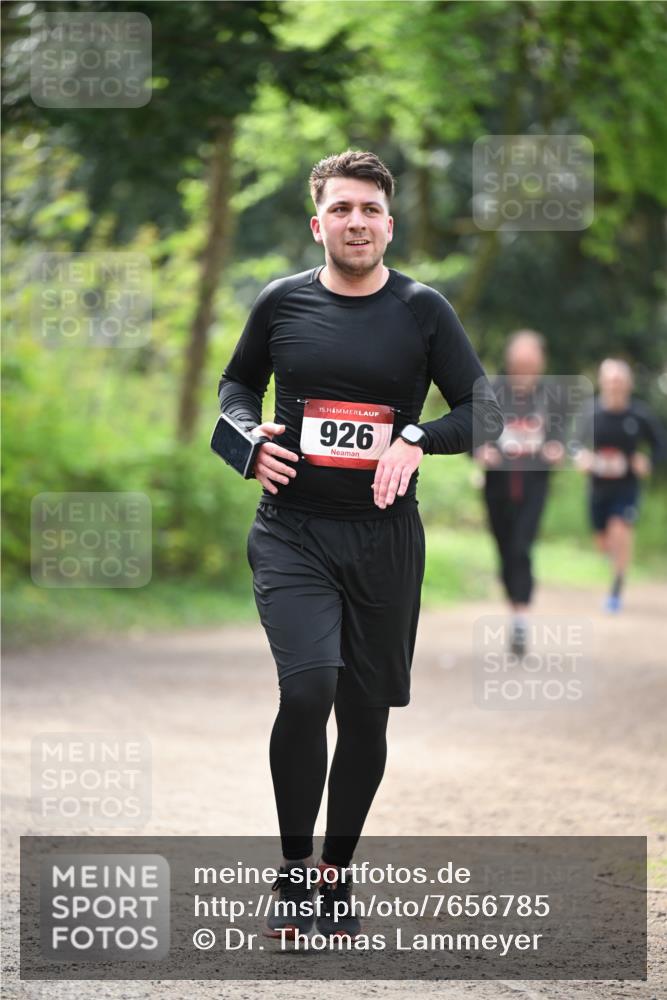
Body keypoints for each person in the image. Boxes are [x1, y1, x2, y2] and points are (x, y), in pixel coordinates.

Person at [217, 150, 502, 940]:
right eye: (340, 209)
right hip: (292, 532)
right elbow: (236, 388)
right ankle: (292, 872)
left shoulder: (422, 310)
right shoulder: (281, 302)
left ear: (388, 224)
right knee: (308, 690)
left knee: (365, 715)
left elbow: (483, 411)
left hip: (384, 542)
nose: (355, 222)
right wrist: (247, 441)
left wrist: (417, 436)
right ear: (318, 224)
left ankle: (334, 874)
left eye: (369, 210)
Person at [473, 331, 565, 656]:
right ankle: (515, 610)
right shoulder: (493, 391)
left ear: (540, 363)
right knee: (504, 549)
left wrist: (557, 448)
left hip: (533, 485)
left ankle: (521, 620)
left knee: (521, 547)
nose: (524, 369)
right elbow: (474, 432)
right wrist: (479, 450)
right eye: (519, 362)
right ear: (511, 362)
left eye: (530, 363)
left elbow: (561, 436)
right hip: (497, 485)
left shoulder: (551, 396)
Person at [576, 358, 666, 613]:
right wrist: (582, 458)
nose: (615, 385)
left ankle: (616, 587)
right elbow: (575, 444)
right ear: (602, 382)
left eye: (619, 380)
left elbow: (660, 445)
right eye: (610, 380)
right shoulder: (591, 413)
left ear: (628, 384)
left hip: (626, 487)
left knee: (620, 529)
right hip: (597, 488)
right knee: (603, 542)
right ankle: (614, 560)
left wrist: (647, 461)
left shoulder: (639, 415)